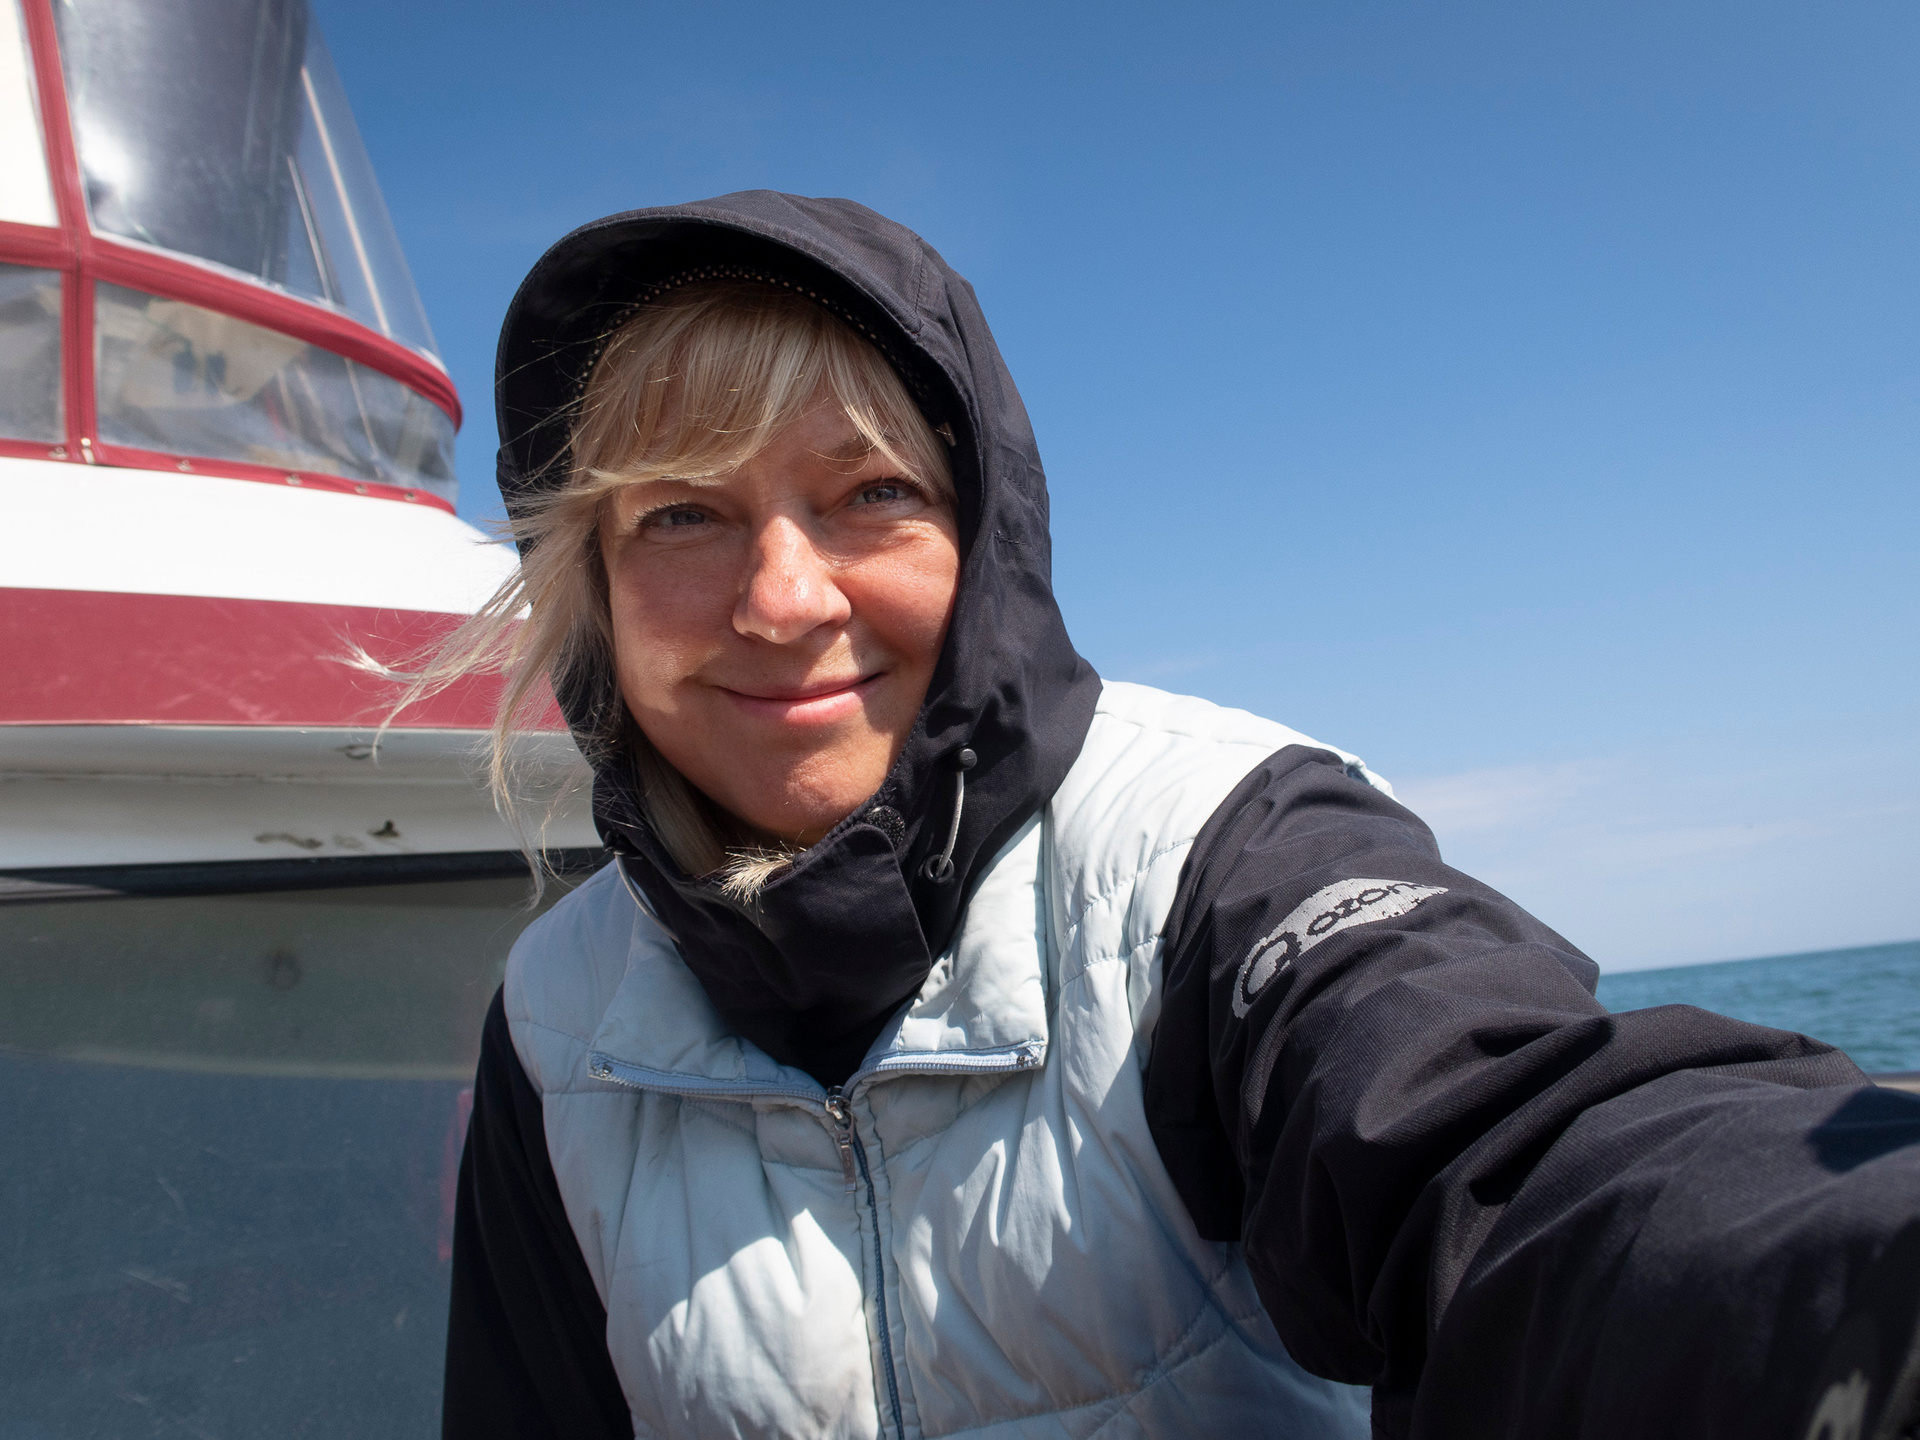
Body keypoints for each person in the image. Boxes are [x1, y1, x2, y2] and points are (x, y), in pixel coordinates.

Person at [426, 192, 1920, 1440]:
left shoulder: (1221, 843)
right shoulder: (558, 1020)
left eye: (871, 491)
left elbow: (1508, 1141)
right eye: (681, 513)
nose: (783, 599)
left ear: (987, 533)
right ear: (594, 588)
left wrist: (1840, 1300)